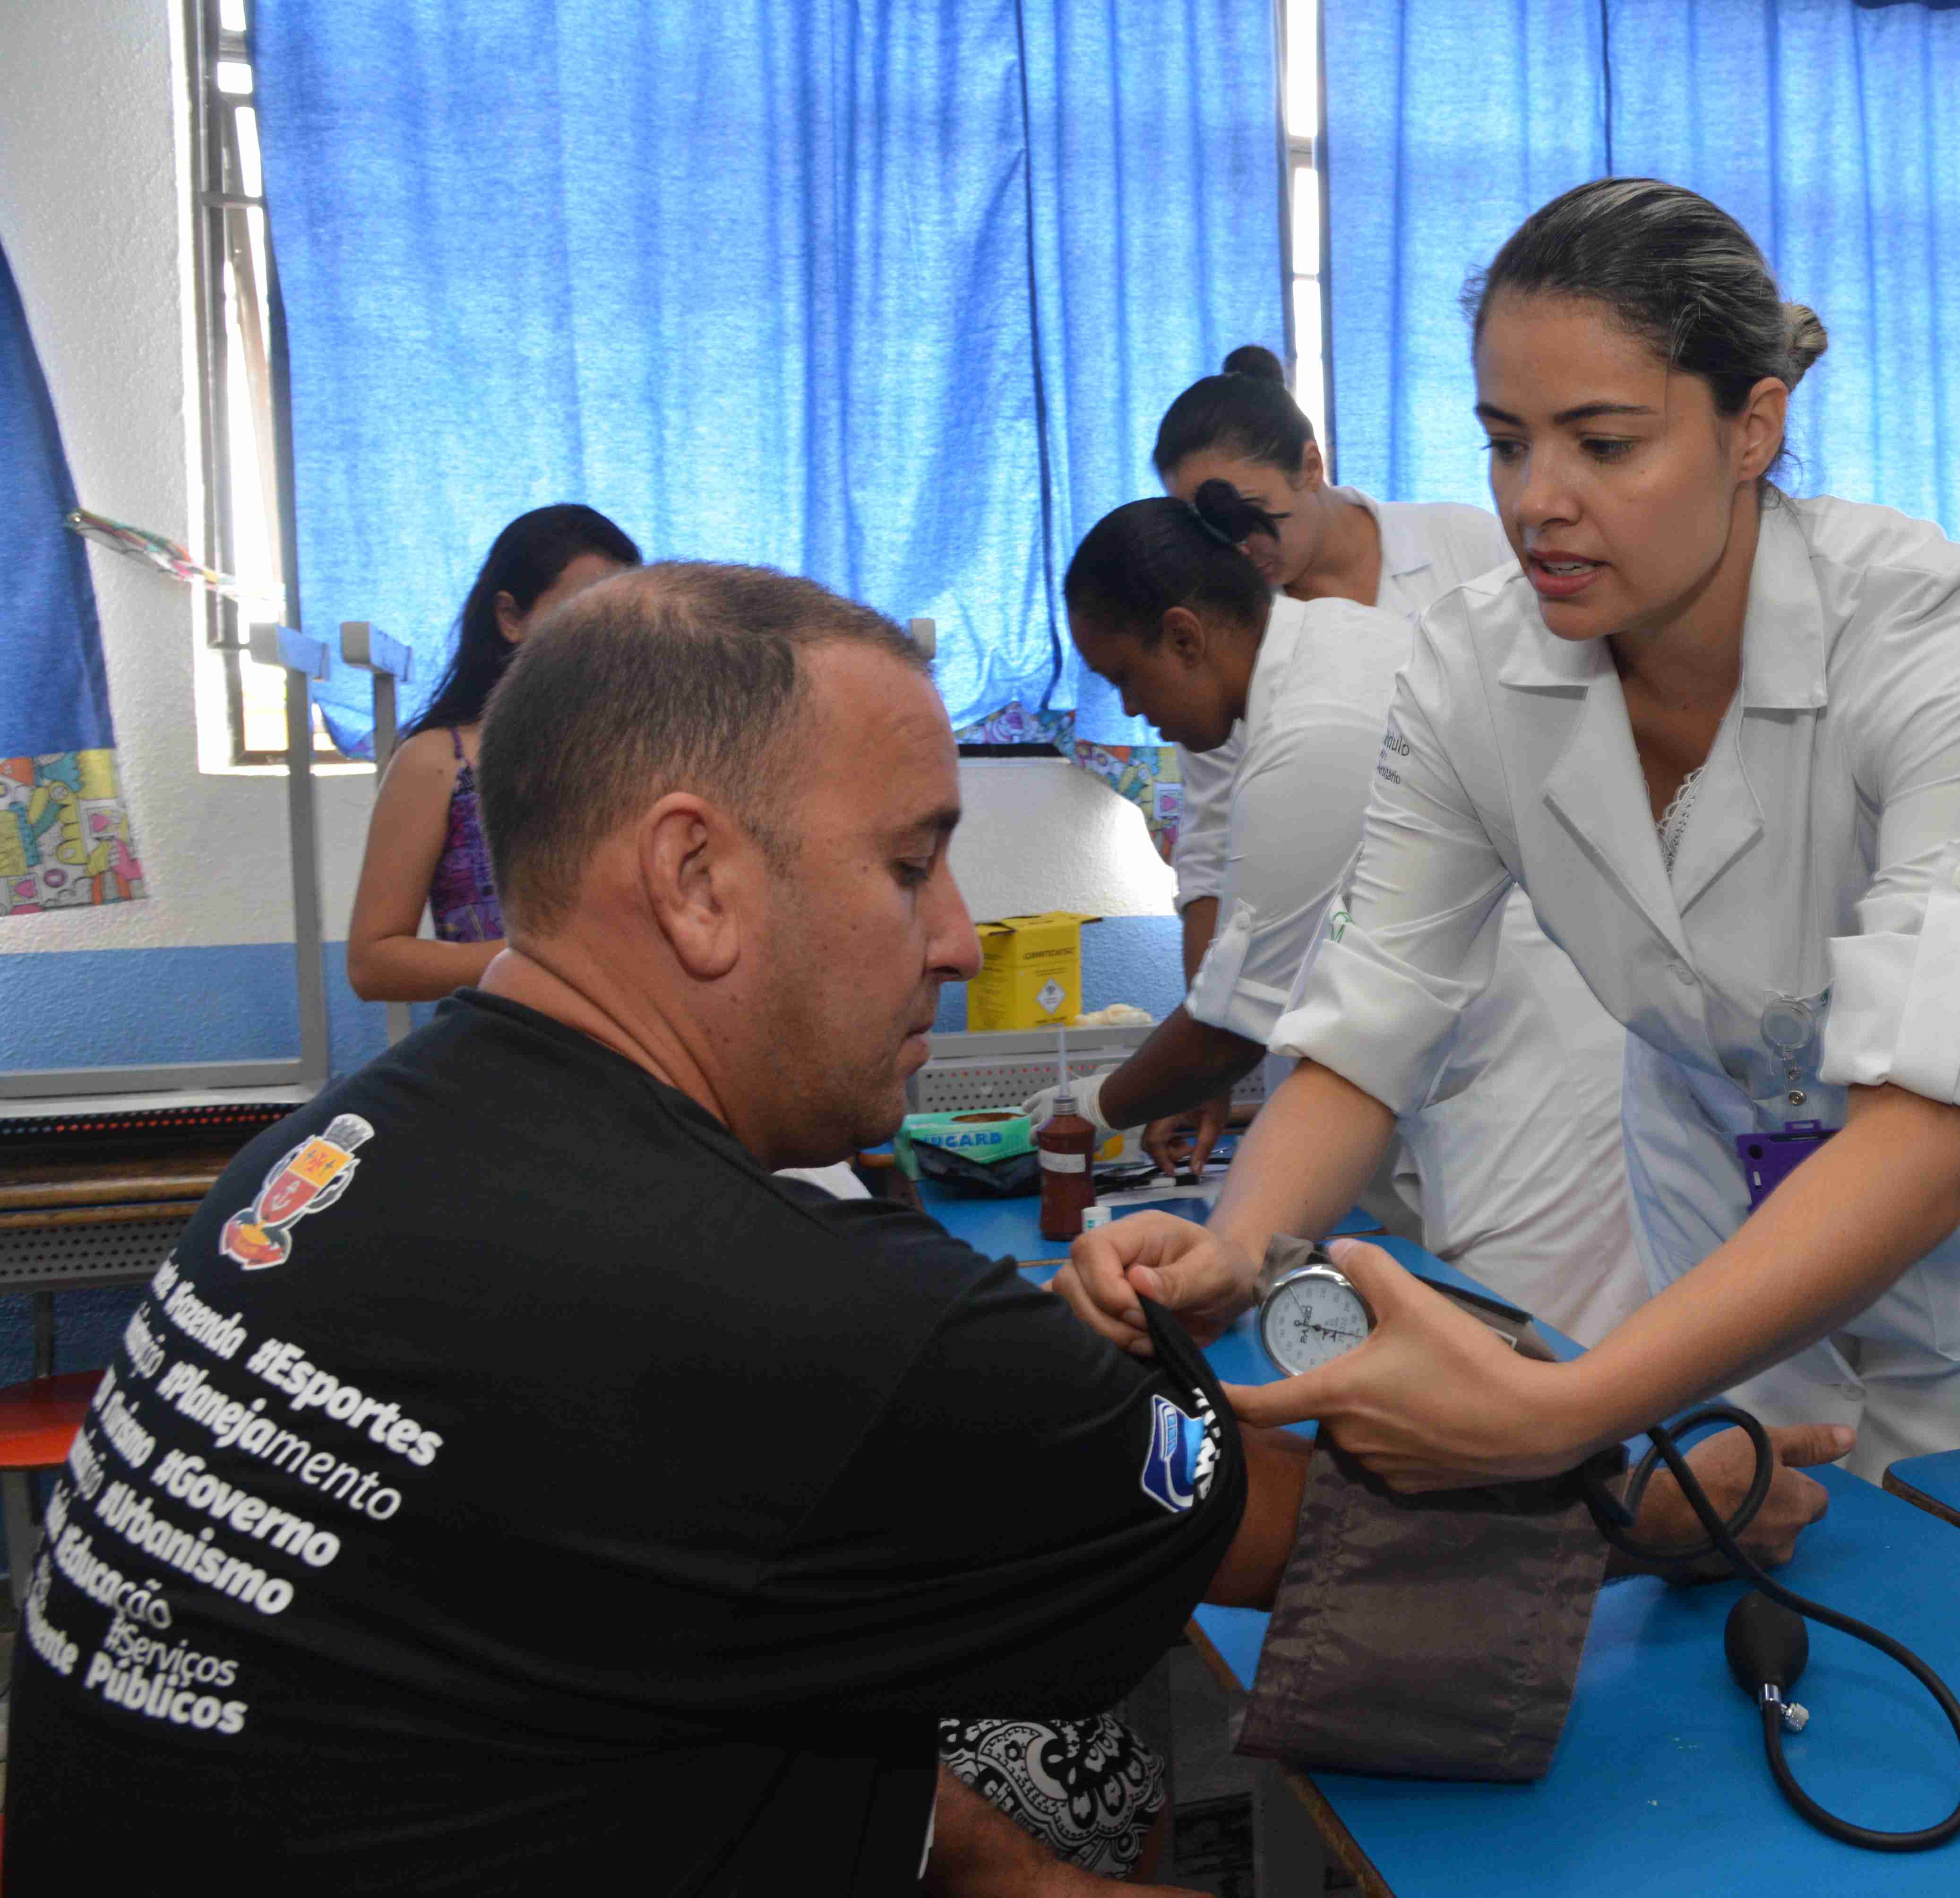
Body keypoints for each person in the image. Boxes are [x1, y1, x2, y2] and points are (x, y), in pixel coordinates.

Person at [3, 561, 1820, 1894]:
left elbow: (591, 1679)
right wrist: (1644, 1488)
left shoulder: (314, 1165)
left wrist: (1006, 1867)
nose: (955, 934)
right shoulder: (803, 1329)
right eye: (906, 862)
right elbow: (1303, 1527)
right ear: (695, 878)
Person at [1057, 178, 1960, 1487]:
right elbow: (1367, 1022)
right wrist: (1238, 1247)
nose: (1538, 503)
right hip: (1722, 1197)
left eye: (1604, 443)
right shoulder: (1472, 666)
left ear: (1754, 427)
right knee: (1759, 1559)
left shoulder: (1924, 623)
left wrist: (1559, 1411)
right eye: (1509, 443)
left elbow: (1921, 1137)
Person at [1023, 482, 1639, 1342]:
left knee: (1547, 1404)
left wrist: (1075, 1110)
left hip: (1530, 1112)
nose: (1129, 709)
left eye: (1126, 677)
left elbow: (1231, 1030)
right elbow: (1247, 972)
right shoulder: (1326, 651)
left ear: (1185, 636)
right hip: (1463, 1079)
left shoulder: (1317, 734)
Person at [345, 502, 639, 1003]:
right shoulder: (440, 760)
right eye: (584, 612)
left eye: (624, 615)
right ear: (509, 617)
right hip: (507, 1046)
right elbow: (373, 963)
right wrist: (546, 962)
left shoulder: (646, 751)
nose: (606, 639)